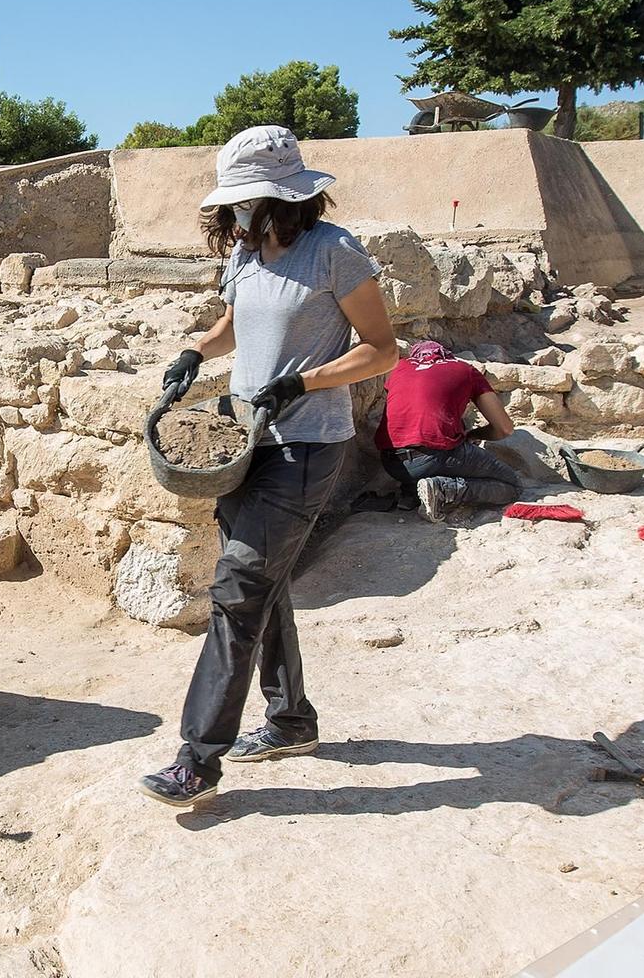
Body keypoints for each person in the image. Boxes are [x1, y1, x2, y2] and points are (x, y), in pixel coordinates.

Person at [137, 126, 399, 809]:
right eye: (236, 203)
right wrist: (197, 350)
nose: (240, 214)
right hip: (243, 442)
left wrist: (304, 384)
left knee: (238, 592)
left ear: (285, 196)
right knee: (265, 582)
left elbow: (381, 350)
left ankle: (197, 759)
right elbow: (232, 326)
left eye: (250, 201)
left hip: (307, 445)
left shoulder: (334, 253)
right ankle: (290, 720)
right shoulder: (248, 254)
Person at [375, 341, 521, 523]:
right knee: (512, 486)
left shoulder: (400, 367)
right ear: (446, 355)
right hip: (433, 457)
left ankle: (412, 492)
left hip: (392, 464)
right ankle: (444, 489)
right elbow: (504, 428)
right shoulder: (465, 369)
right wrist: (473, 435)